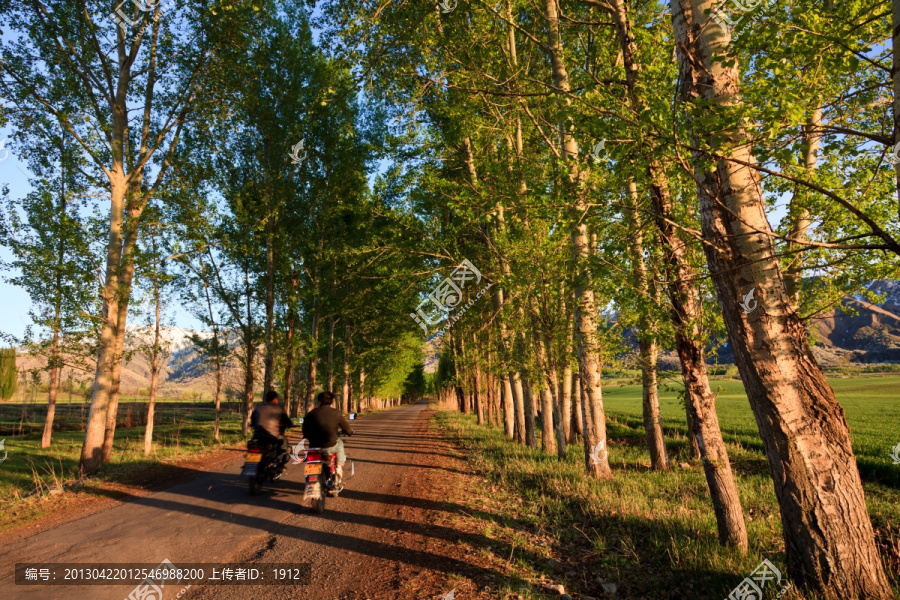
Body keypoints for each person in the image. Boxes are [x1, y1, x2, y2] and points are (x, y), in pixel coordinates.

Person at [302, 391, 353, 486]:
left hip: (314, 447)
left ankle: (311, 478)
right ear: (331, 402)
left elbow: (305, 430)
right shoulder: (336, 413)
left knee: (311, 462)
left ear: (319, 401)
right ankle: (339, 466)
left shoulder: (311, 413)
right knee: (340, 442)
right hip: (330, 446)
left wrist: (308, 436)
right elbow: (346, 428)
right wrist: (350, 432)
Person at [250, 390, 294, 469]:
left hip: (257, 436)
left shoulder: (258, 408)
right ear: (275, 399)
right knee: (283, 443)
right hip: (272, 436)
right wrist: (290, 425)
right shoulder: (279, 408)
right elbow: (287, 421)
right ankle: (279, 462)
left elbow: (253, 422)